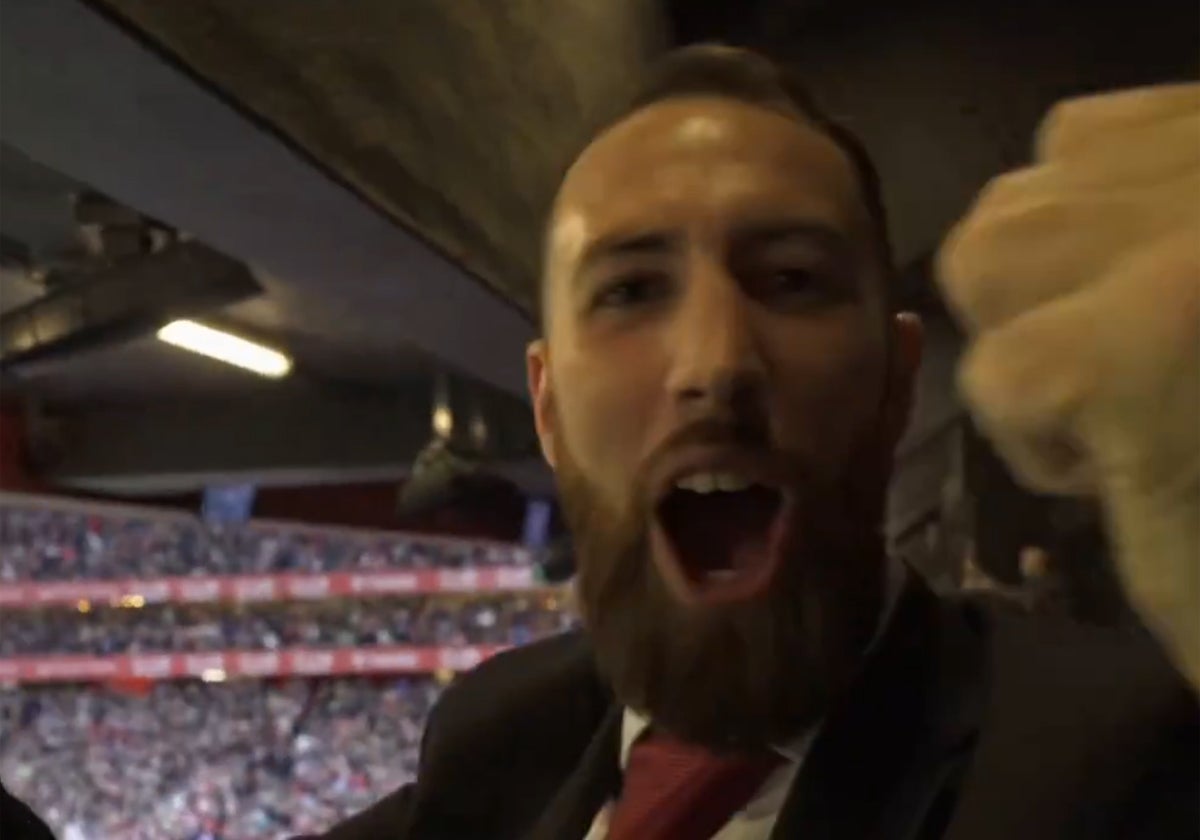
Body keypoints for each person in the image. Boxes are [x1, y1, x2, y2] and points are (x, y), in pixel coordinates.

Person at [311, 44, 1199, 840]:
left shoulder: (1113, 762)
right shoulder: (502, 734)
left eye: (791, 279)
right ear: (547, 408)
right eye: (629, 292)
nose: (717, 360)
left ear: (895, 382)